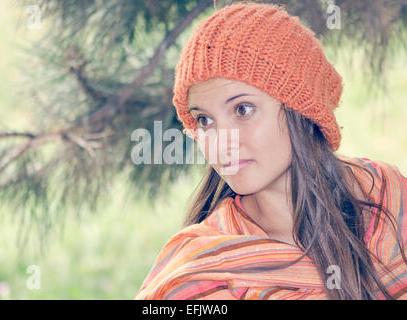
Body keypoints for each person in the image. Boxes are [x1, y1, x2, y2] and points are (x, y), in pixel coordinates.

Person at [135, 2, 407, 300]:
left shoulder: (388, 195)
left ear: (302, 108)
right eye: (204, 120)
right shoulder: (206, 275)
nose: (220, 142)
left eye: (242, 109)